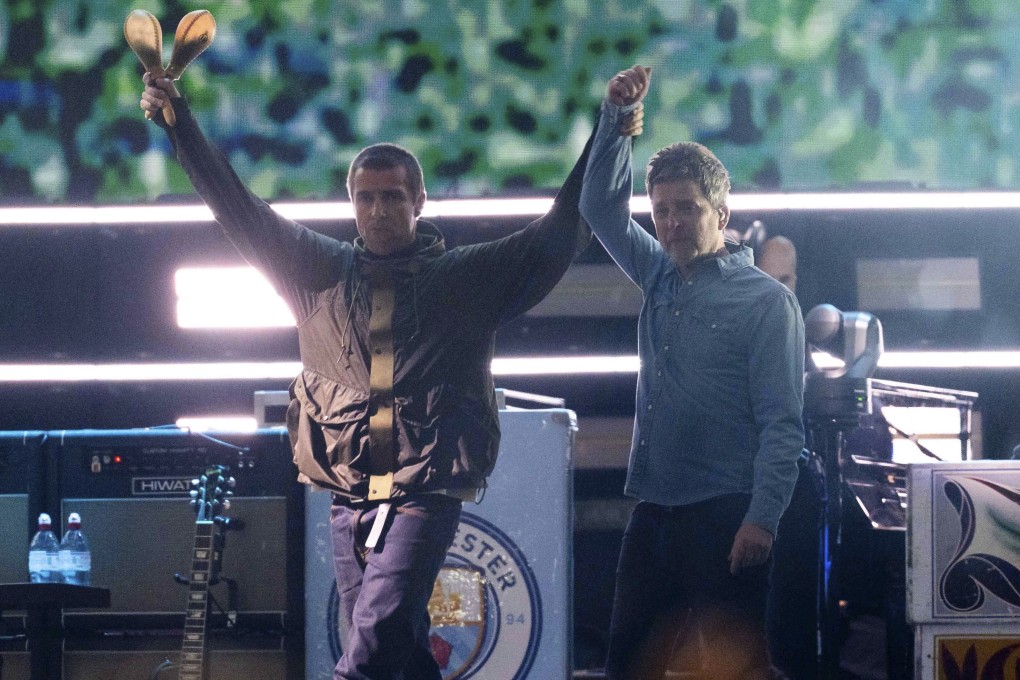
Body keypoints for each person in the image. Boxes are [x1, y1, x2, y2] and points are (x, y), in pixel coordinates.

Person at [140, 72, 594, 680]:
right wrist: (180, 124)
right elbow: (236, 206)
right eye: (367, 198)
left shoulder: (464, 280)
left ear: (419, 202)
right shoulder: (316, 271)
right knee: (398, 651)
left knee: (372, 645)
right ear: (352, 203)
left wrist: (610, 132)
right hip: (347, 493)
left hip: (423, 493)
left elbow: (554, 237)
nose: (379, 210)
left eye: (393, 197)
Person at [579, 65, 805, 680]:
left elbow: (783, 423)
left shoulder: (765, 301)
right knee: (624, 666)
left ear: (722, 213)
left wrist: (761, 518)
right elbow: (598, 205)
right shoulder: (659, 274)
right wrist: (617, 122)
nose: (672, 222)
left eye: (687, 209)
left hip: (728, 512)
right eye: (661, 211)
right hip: (656, 508)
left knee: (737, 670)